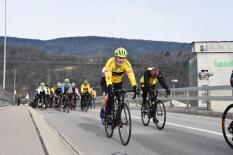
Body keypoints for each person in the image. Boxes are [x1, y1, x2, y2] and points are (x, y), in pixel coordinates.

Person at [101, 47, 139, 120]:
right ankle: (108, 114)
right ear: (115, 57)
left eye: (123, 58)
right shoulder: (110, 62)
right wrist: (109, 85)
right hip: (107, 81)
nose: (121, 60)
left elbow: (131, 75)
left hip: (118, 82)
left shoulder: (126, 64)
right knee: (110, 97)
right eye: (119, 57)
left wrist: (134, 85)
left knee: (120, 100)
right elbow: (108, 75)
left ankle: (118, 118)